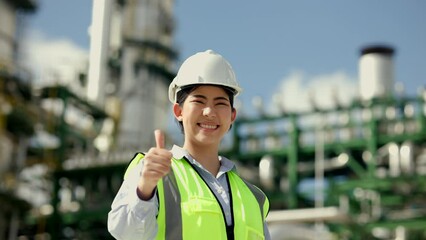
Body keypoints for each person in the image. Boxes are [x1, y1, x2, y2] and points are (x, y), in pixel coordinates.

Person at [108, 49, 271, 240]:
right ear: (178, 111)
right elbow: (125, 234)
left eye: (220, 103)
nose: (209, 111)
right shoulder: (154, 171)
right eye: (199, 101)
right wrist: (145, 189)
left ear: (232, 115)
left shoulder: (255, 198)